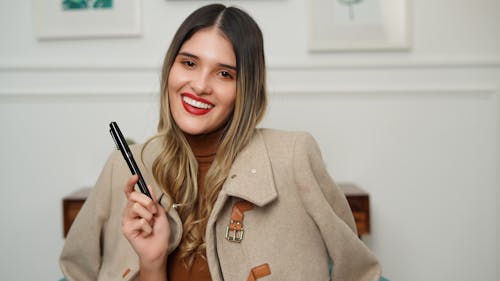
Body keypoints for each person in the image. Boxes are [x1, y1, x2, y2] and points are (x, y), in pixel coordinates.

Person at [60, 3, 381, 281]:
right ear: (170, 69)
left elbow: (359, 272)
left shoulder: (295, 156)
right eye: (189, 63)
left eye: (224, 74)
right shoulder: (124, 166)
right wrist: (152, 263)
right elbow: (76, 272)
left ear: (247, 88)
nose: (199, 85)